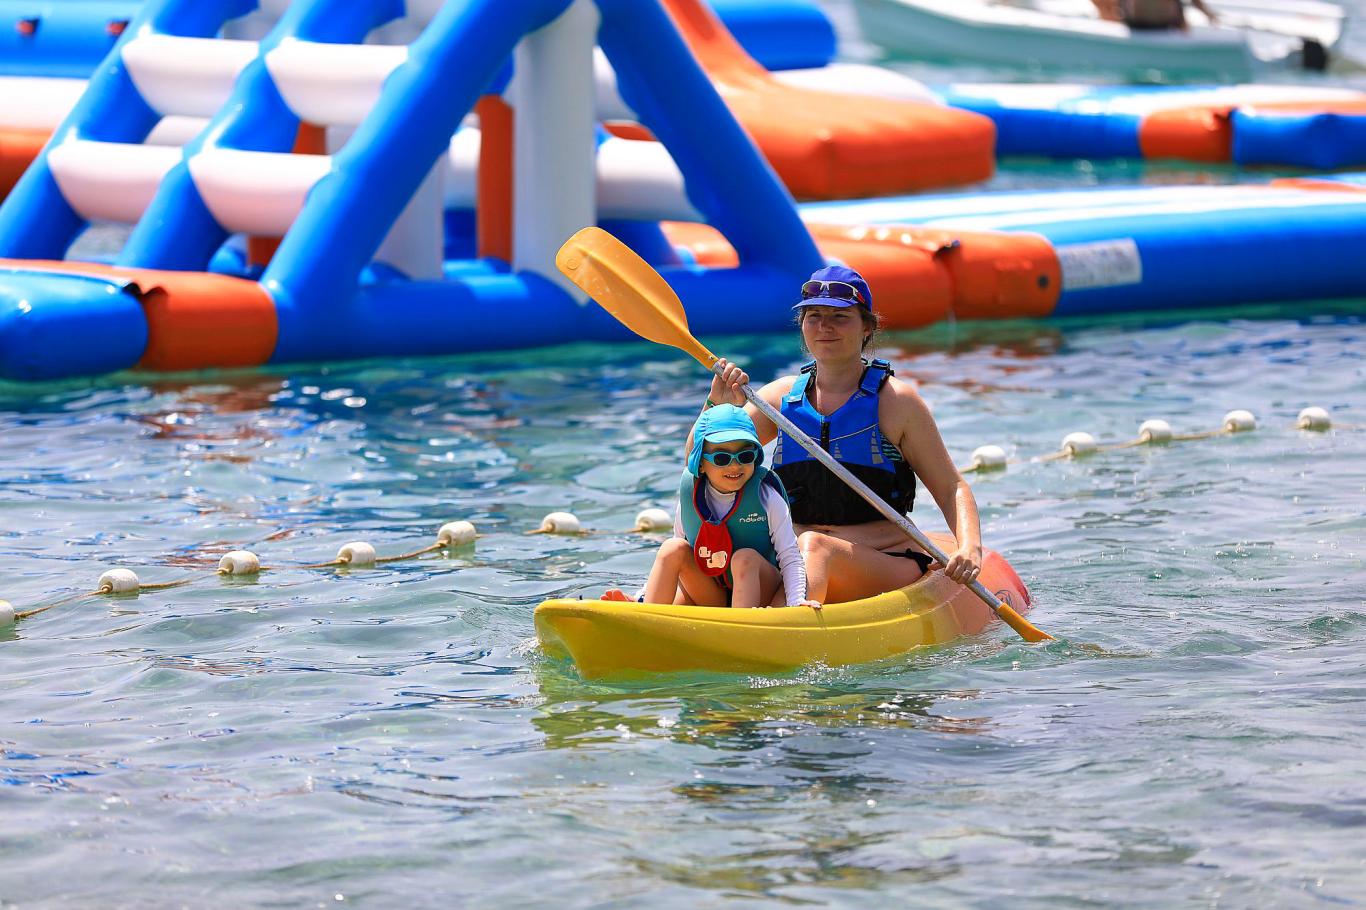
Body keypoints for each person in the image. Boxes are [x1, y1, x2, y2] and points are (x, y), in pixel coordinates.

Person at [706, 265, 983, 605]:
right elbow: (700, 461)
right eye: (814, 317)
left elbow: (951, 486)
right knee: (726, 555)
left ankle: (781, 626)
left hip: (883, 558)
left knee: (815, 547)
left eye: (839, 317)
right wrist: (715, 406)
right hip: (794, 558)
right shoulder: (779, 399)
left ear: (867, 327)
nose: (825, 327)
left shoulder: (897, 403)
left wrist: (970, 547)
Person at [604, 404, 818, 609]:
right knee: (672, 548)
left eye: (745, 456)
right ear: (701, 463)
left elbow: (790, 557)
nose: (735, 465)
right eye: (722, 458)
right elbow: (673, 558)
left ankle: (741, 625)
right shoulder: (691, 496)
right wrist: (642, 595)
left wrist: (796, 600)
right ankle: (648, 612)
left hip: (761, 589)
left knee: (745, 558)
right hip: (712, 592)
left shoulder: (766, 496)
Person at [1093, 0, 1217, 30]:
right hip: (1167, 22)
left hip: (1136, 20)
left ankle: (1110, 23)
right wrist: (1209, 15)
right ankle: (1183, 28)